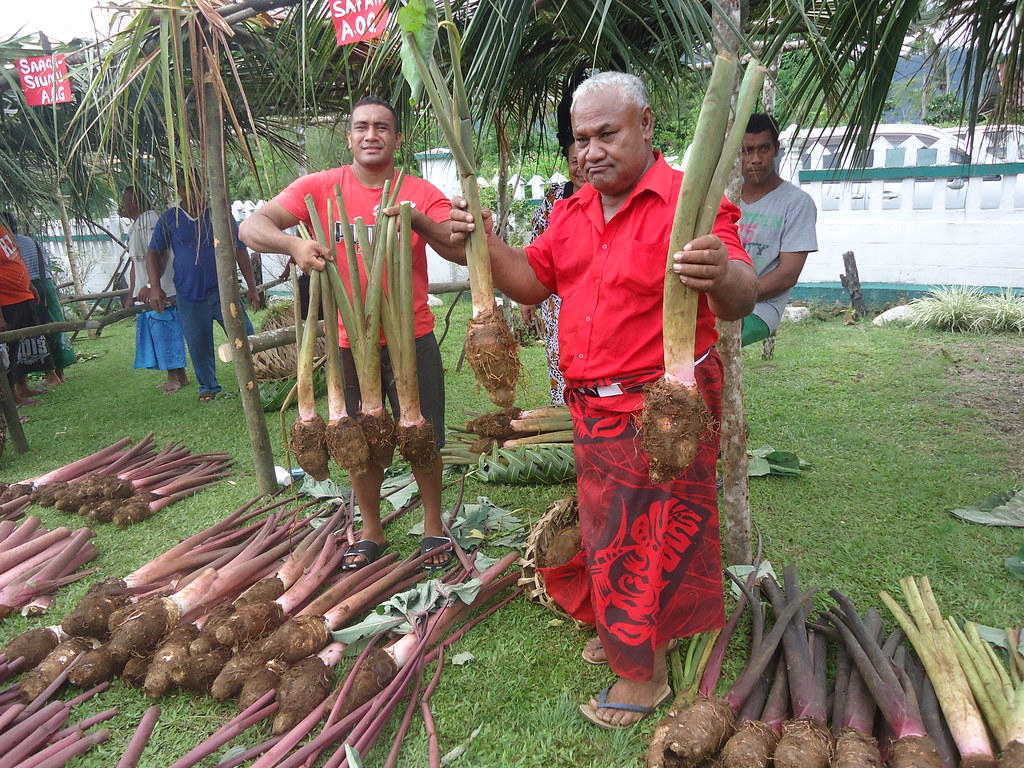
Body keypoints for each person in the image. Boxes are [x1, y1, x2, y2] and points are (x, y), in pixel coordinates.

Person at [449, 72, 757, 729]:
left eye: (606, 134)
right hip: (595, 407)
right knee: (615, 531)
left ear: (645, 125)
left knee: (659, 531)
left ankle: (639, 672)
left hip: (666, 406)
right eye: (580, 139)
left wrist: (722, 274)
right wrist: (480, 239)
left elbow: (740, 293)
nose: (590, 151)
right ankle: (639, 632)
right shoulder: (572, 210)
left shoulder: (688, 199)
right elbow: (532, 281)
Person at [239, 96, 464, 571]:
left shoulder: (419, 191)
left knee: (423, 437)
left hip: (412, 337)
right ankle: (371, 530)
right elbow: (251, 227)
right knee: (358, 440)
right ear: (349, 137)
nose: (371, 134)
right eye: (361, 126)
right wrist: (293, 242)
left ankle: (432, 526)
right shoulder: (319, 187)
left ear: (397, 138)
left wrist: (413, 217)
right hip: (348, 340)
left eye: (382, 127)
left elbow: (457, 246)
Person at [147, 172, 260, 402]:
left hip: (223, 291)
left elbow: (240, 251)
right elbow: (153, 252)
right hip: (188, 295)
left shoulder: (219, 215)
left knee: (245, 335)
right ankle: (208, 387)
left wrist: (252, 287)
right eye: (187, 187)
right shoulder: (170, 219)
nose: (195, 192)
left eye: (199, 186)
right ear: (179, 190)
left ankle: (257, 378)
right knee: (198, 344)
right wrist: (155, 287)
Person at [738, 113, 818, 346]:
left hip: (760, 310)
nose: (755, 159)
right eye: (747, 150)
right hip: (716, 303)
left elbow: (788, 275)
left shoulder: (797, 203)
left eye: (763, 149)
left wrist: (734, 299)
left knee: (703, 344)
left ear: (776, 149)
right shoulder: (725, 197)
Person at [520, 139, 587, 405]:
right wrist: (528, 296)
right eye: (573, 161)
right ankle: (565, 416)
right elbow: (537, 247)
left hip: (597, 296)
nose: (580, 167)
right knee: (560, 357)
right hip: (556, 298)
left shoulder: (613, 195)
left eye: (584, 159)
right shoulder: (554, 197)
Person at [122, 186, 190, 393]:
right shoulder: (137, 225)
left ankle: (174, 378)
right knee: (158, 331)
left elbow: (162, 254)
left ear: (134, 201)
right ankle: (180, 375)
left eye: (125, 200)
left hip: (161, 290)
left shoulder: (150, 221)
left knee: (166, 332)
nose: (122, 205)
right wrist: (131, 292)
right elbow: (136, 263)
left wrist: (153, 285)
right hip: (147, 291)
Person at [2, 213, 75, 385]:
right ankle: (59, 373)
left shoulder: (9, 244)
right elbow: (47, 262)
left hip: (26, 290)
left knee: (32, 332)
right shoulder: (31, 242)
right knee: (54, 326)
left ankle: (46, 375)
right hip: (46, 284)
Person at [0, 213, 54, 406]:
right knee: (10, 348)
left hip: (20, 294)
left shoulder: (3, 228)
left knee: (24, 345)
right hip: (6, 300)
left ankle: (22, 386)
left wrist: (29, 286)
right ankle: (12, 398)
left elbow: (15, 259)